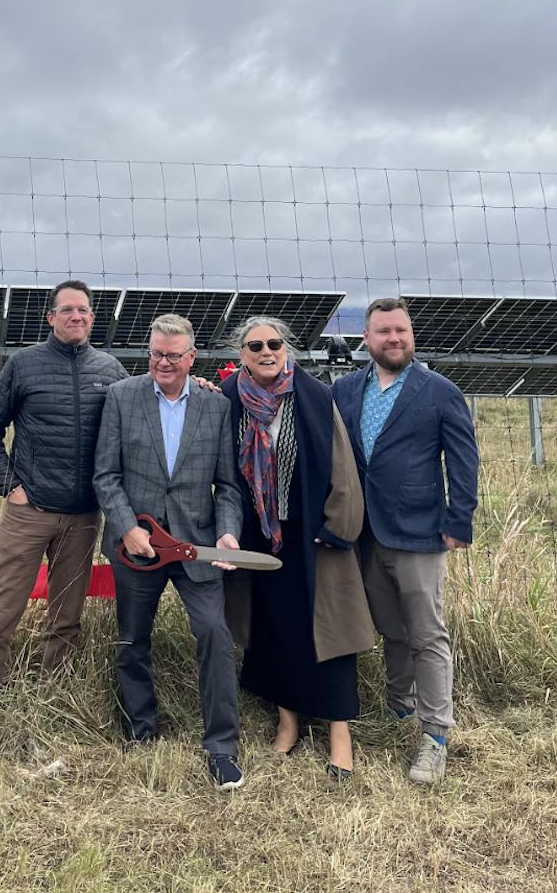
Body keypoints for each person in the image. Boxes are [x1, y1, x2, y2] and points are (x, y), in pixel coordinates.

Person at [93, 314, 246, 788]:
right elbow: (106, 475)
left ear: (191, 358)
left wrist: (226, 533)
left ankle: (221, 745)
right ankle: (141, 729)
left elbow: (229, 486)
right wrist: (125, 528)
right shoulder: (121, 397)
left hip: (196, 544)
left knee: (215, 636)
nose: (163, 362)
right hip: (138, 545)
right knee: (132, 638)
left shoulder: (216, 407)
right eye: (157, 353)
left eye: (173, 356)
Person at [332, 297, 478, 784]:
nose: (393, 338)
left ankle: (435, 735)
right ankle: (400, 709)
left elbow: (463, 461)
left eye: (400, 330)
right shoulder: (347, 390)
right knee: (390, 629)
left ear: (410, 334)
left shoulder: (439, 391)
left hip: (419, 532)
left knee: (427, 634)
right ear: (366, 339)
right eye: (383, 332)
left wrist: (460, 521)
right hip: (365, 533)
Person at [220, 317, 373, 781]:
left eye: (275, 343)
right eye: (255, 345)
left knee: (329, 632)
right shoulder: (228, 401)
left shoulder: (313, 397)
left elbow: (343, 468)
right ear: (241, 353)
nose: (267, 351)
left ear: (286, 348)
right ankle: (288, 723)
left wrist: (339, 526)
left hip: (314, 536)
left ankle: (338, 735)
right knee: (276, 629)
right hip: (260, 538)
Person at [0, 280, 128, 706]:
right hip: (29, 511)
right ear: (51, 317)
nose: (77, 316)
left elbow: (146, 408)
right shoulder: (24, 365)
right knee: (1, 617)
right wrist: (10, 486)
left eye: (84, 310)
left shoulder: (110, 370)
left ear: (93, 318)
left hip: (82, 517)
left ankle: (51, 703)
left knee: (66, 619)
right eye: (67, 310)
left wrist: (201, 387)